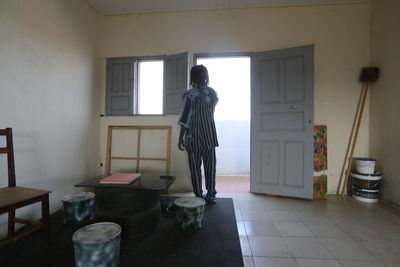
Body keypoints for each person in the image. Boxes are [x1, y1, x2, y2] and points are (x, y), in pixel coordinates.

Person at [178, 65, 219, 204]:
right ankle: (211, 195)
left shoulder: (189, 95)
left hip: (193, 136)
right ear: (206, 76)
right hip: (209, 135)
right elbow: (211, 110)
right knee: (211, 166)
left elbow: (185, 119)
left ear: (193, 77)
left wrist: (180, 138)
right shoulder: (213, 93)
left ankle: (199, 196)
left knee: (195, 168)